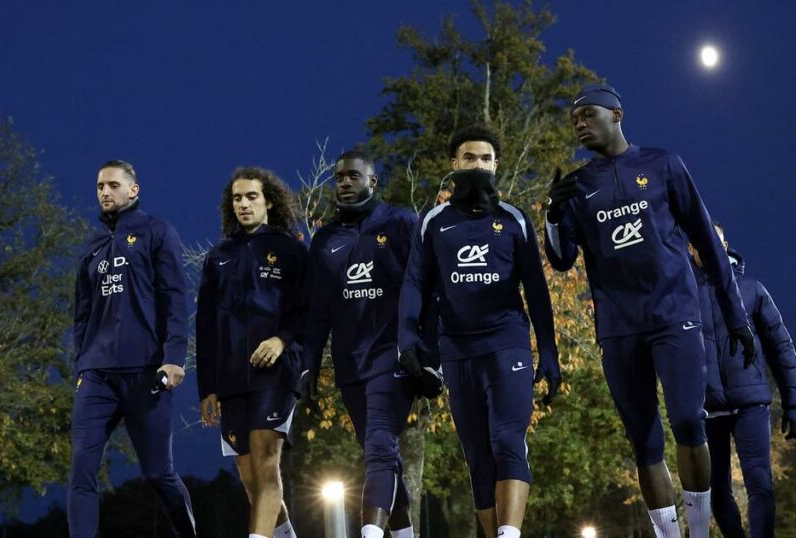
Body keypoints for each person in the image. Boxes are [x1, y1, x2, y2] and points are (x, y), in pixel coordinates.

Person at [544, 83, 756, 538]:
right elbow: (562, 260)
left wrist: (735, 316)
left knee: (686, 419)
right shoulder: (579, 185)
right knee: (644, 441)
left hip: (673, 315)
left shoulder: (663, 164)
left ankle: (697, 530)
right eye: (574, 119)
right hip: (620, 326)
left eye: (588, 115)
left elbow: (707, 243)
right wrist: (551, 214)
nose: (579, 123)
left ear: (617, 114)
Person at [399, 125, 560, 538]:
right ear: (453, 165)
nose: (478, 165)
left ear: (496, 165)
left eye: (485, 158)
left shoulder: (514, 219)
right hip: (456, 350)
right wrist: (408, 340)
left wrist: (550, 351)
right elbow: (416, 283)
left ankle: (510, 533)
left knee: (507, 438)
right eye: (469, 158)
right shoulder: (433, 221)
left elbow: (538, 291)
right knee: (477, 455)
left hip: (506, 342)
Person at [67, 160, 195, 538]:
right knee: (81, 471)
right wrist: (82, 364)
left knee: (158, 472)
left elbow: (175, 298)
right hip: (96, 377)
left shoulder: (157, 233)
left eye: (113, 185)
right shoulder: (91, 248)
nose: (104, 192)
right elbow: (82, 314)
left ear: (133, 190)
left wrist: (174, 358)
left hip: (146, 374)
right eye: (99, 186)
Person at [300, 150, 421, 538]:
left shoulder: (402, 223)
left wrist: (426, 352)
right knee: (379, 453)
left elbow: (425, 288)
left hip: (394, 359)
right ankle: (404, 534)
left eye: (354, 176)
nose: (345, 183)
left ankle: (369, 533)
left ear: (373, 181)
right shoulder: (325, 240)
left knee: (380, 445)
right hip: (350, 364)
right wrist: (309, 364)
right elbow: (317, 311)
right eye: (339, 178)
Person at [196, 167, 306, 538]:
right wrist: (206, 387)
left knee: (265, 464)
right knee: (248, 477)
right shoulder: (218, 257)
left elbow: (309, 309)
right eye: (237, 199)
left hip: (274, 375)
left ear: (269, 201)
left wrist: (281, 340)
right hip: (230, 379)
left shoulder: (290, 249)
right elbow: (206, 325)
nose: (243, 204)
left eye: (251, 196)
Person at [690, 222, 796, 537]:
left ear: (724, 246)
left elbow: (781, 347)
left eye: (715, 240)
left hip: (751, 403)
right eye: (700, 240)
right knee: (716, 488)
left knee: (759, 483)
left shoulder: (752, 290)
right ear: (690, 249)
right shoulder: (681, 299)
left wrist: (793, 401)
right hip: (708, 409)